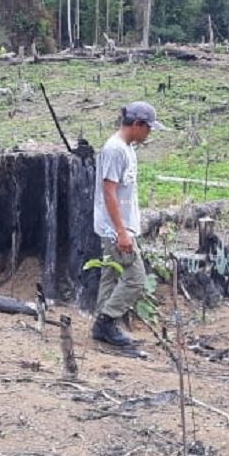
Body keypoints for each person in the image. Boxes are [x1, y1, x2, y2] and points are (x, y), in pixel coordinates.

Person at [91, 101, 166, 358]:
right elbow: (109, 192)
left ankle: (103, 325)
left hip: (118, 227)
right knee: (135, 277)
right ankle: (107, 320)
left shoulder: (126, 148)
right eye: (148, 128)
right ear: (136, 125)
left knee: (111, 275)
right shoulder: (115, 150)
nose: (149, 133)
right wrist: (122, 232)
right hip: (115, 229)